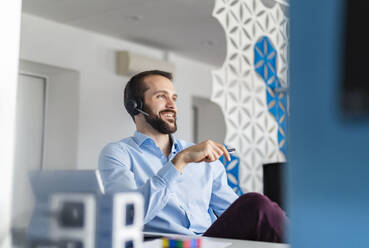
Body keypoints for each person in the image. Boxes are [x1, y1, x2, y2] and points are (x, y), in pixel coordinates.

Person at [98, 70, 286, 242]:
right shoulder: (119, 153)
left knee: (256, 206)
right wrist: (179, 161)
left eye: (174, 98)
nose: (172, 105)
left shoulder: (202, 156)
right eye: (161, 97)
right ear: (135, 106)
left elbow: (236, 211)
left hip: (209, 242)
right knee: (255, 203)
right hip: (166, 244)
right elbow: (127, 216)